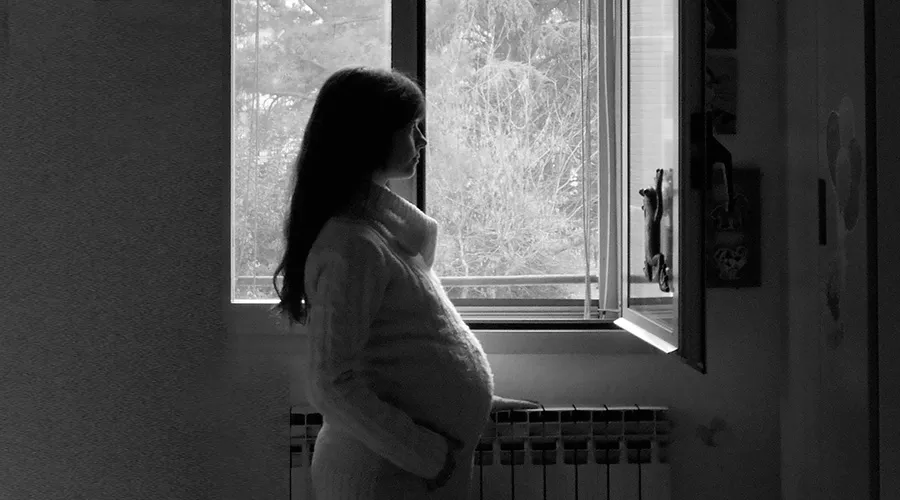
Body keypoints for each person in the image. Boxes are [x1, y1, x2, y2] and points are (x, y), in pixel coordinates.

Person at [270, 66, 540, 499]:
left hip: (400, 471)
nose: (423, 141)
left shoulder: (380, 237)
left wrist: (466, 405)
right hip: (379, 476)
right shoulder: (352, 246)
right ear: (371, 135)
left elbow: (402, 351)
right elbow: (332, 385)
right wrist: (429, 455)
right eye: (411, 128)